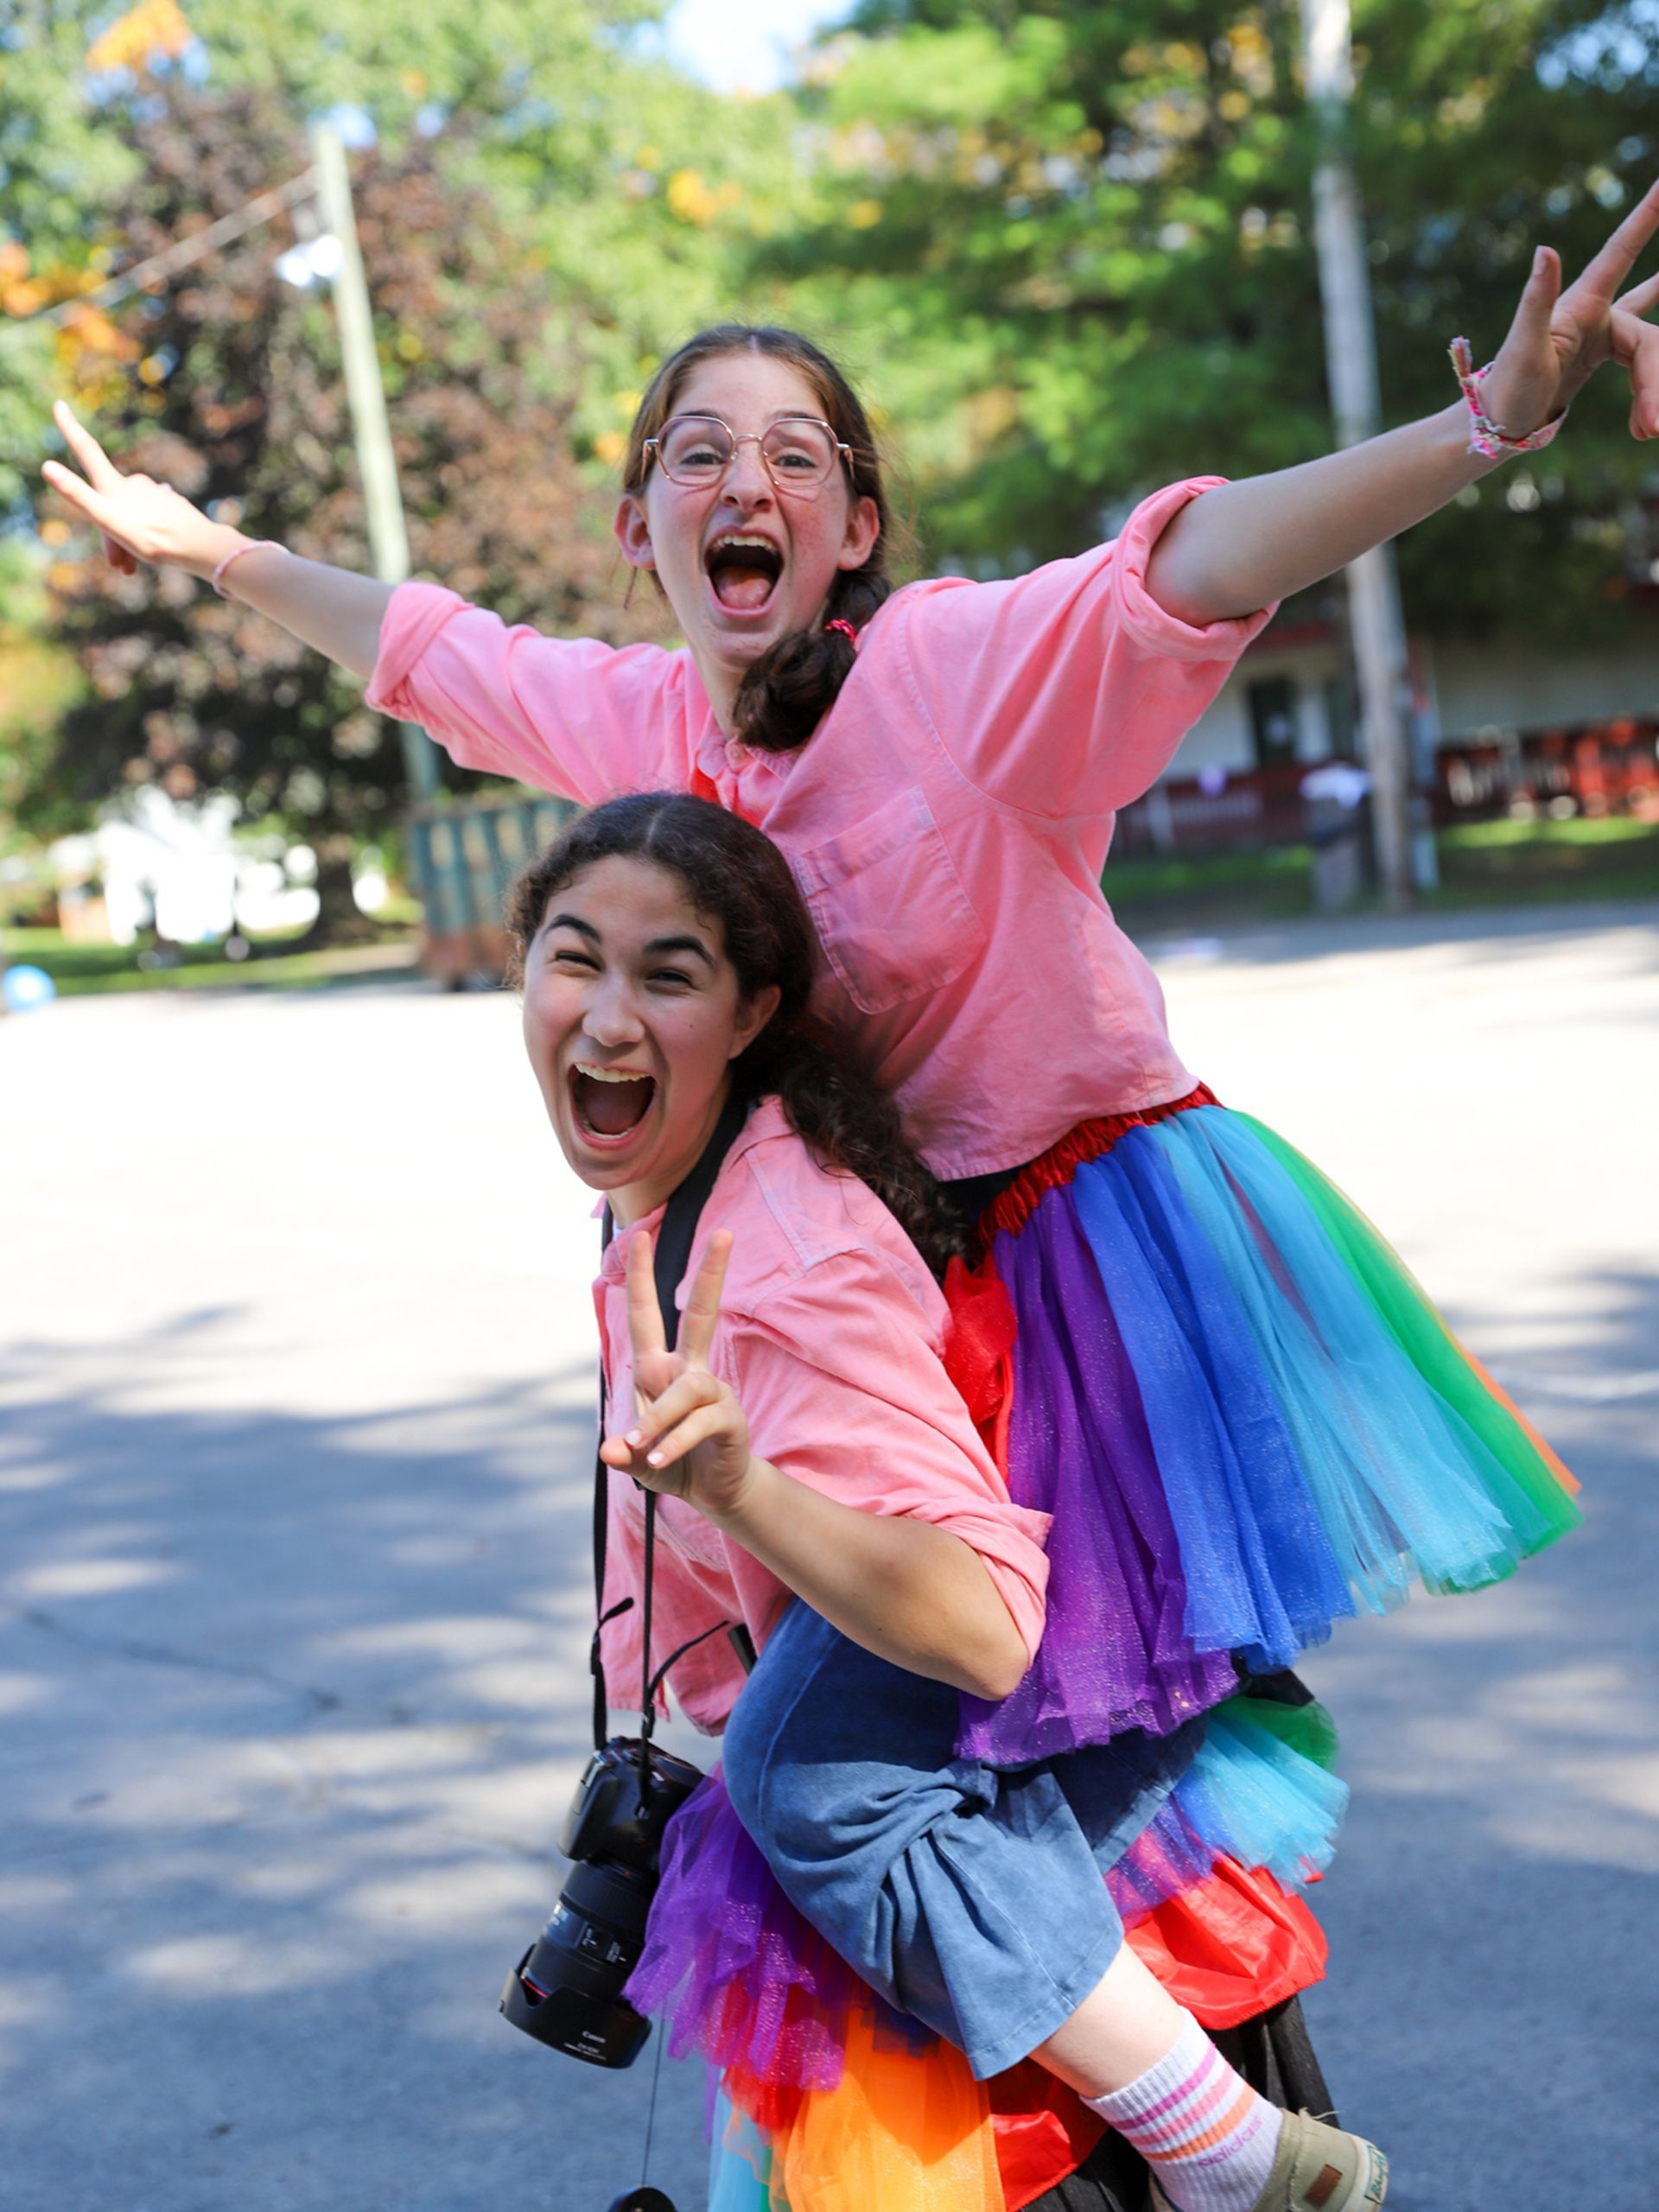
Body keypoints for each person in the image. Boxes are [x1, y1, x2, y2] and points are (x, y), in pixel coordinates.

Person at [43, 182, 1655, 2199]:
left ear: (855, 529)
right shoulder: (650, 722)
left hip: (1079, 1268)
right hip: (868, 1291)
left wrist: (1482, 427)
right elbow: (440, 653)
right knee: (929, 1793)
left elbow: (1197, 556)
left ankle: (1225, 2140)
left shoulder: (961, 671)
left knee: (1040, 1771)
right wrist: (216, 555)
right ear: (644, 526)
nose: (747, 482)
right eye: (698, 456)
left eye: (795, 457)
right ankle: (1193, 2140)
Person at [506, 789, 1363, 2212]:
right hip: (918, 1838)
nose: (606, 1017)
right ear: (521, 967)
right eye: (575, 957)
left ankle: (1224, 2150)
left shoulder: (783, 1269)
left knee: (800, 1771)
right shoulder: (667, 1187)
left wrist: (738, 1486)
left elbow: (982, 1629)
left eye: (669, 975)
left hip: (965, 1812)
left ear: (751, 1012)